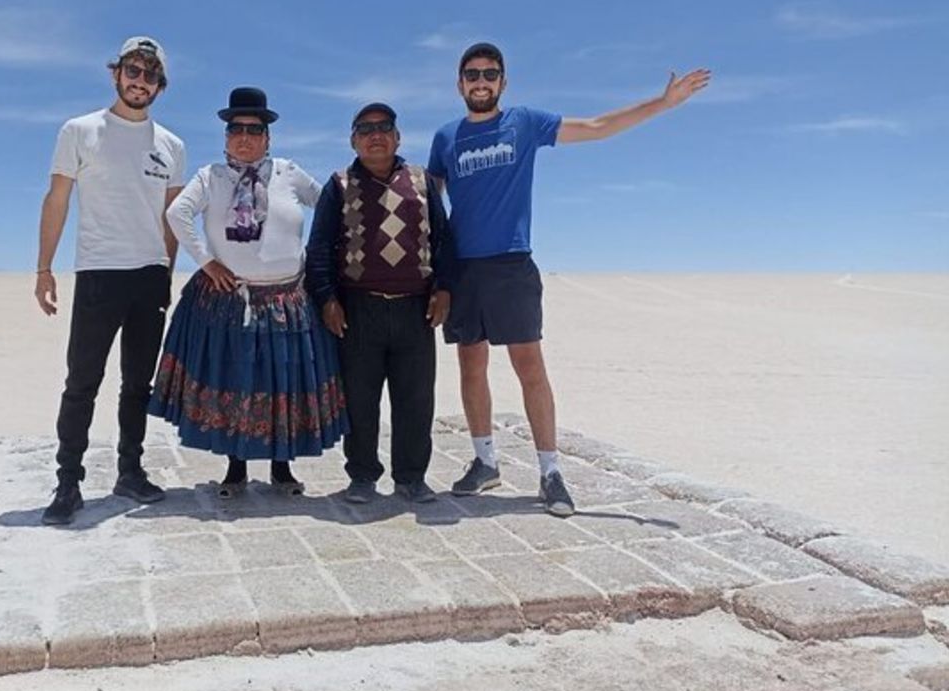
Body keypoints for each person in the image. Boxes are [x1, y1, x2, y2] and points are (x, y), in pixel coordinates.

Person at [428, 42, 710, 516]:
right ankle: (485, 462)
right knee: (470, 365)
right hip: (463, 267)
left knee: (529, 367)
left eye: (490, 74)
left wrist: (663, 104)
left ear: (503, 82)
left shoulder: (524, 123)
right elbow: (429, 199)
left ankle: (550, 471)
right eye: (472, 74)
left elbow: (597, 127)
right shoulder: (446, 137)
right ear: (460, 84)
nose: (481, 82)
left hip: (512, 263)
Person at [149, 87, 348, 496]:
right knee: (235, 379)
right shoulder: (210, 177)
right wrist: (207, 261)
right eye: (236, 129)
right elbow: (177, 212)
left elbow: (331, 205)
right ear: (226, 136)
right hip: (228, 300)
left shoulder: (288, 173)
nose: (244, 137)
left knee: (282, 382)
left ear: (267, 137)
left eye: (254, 130)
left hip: (287, 301)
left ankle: (282, 467)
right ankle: (235, 467)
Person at [35, 36, 185, 526]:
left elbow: (171, 218)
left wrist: (166, 273)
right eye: (133, 71)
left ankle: (130, 471)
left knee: (137, 384)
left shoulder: (171, 145)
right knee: (82, 382)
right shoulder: (80, 131)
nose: (140, 81)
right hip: (99, 273)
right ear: (116, 73)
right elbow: (57, 200)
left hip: (149, 276)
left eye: (150, 75)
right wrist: (44, 268)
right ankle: (68, 483)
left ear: (160, 86)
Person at [306, 103, 451, 504]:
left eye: (384, 127)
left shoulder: (422, 182)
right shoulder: (339, 185)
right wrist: (327, 298)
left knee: (416, 399)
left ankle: (411, 477)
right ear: (353, 140)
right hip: (358, 309)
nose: (375, 135)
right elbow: (319, 248)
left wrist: (444, 288)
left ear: (398, 137)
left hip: (415, 310)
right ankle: (362, 475)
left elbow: (443, 241)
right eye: (365, 129)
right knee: (359, 399)